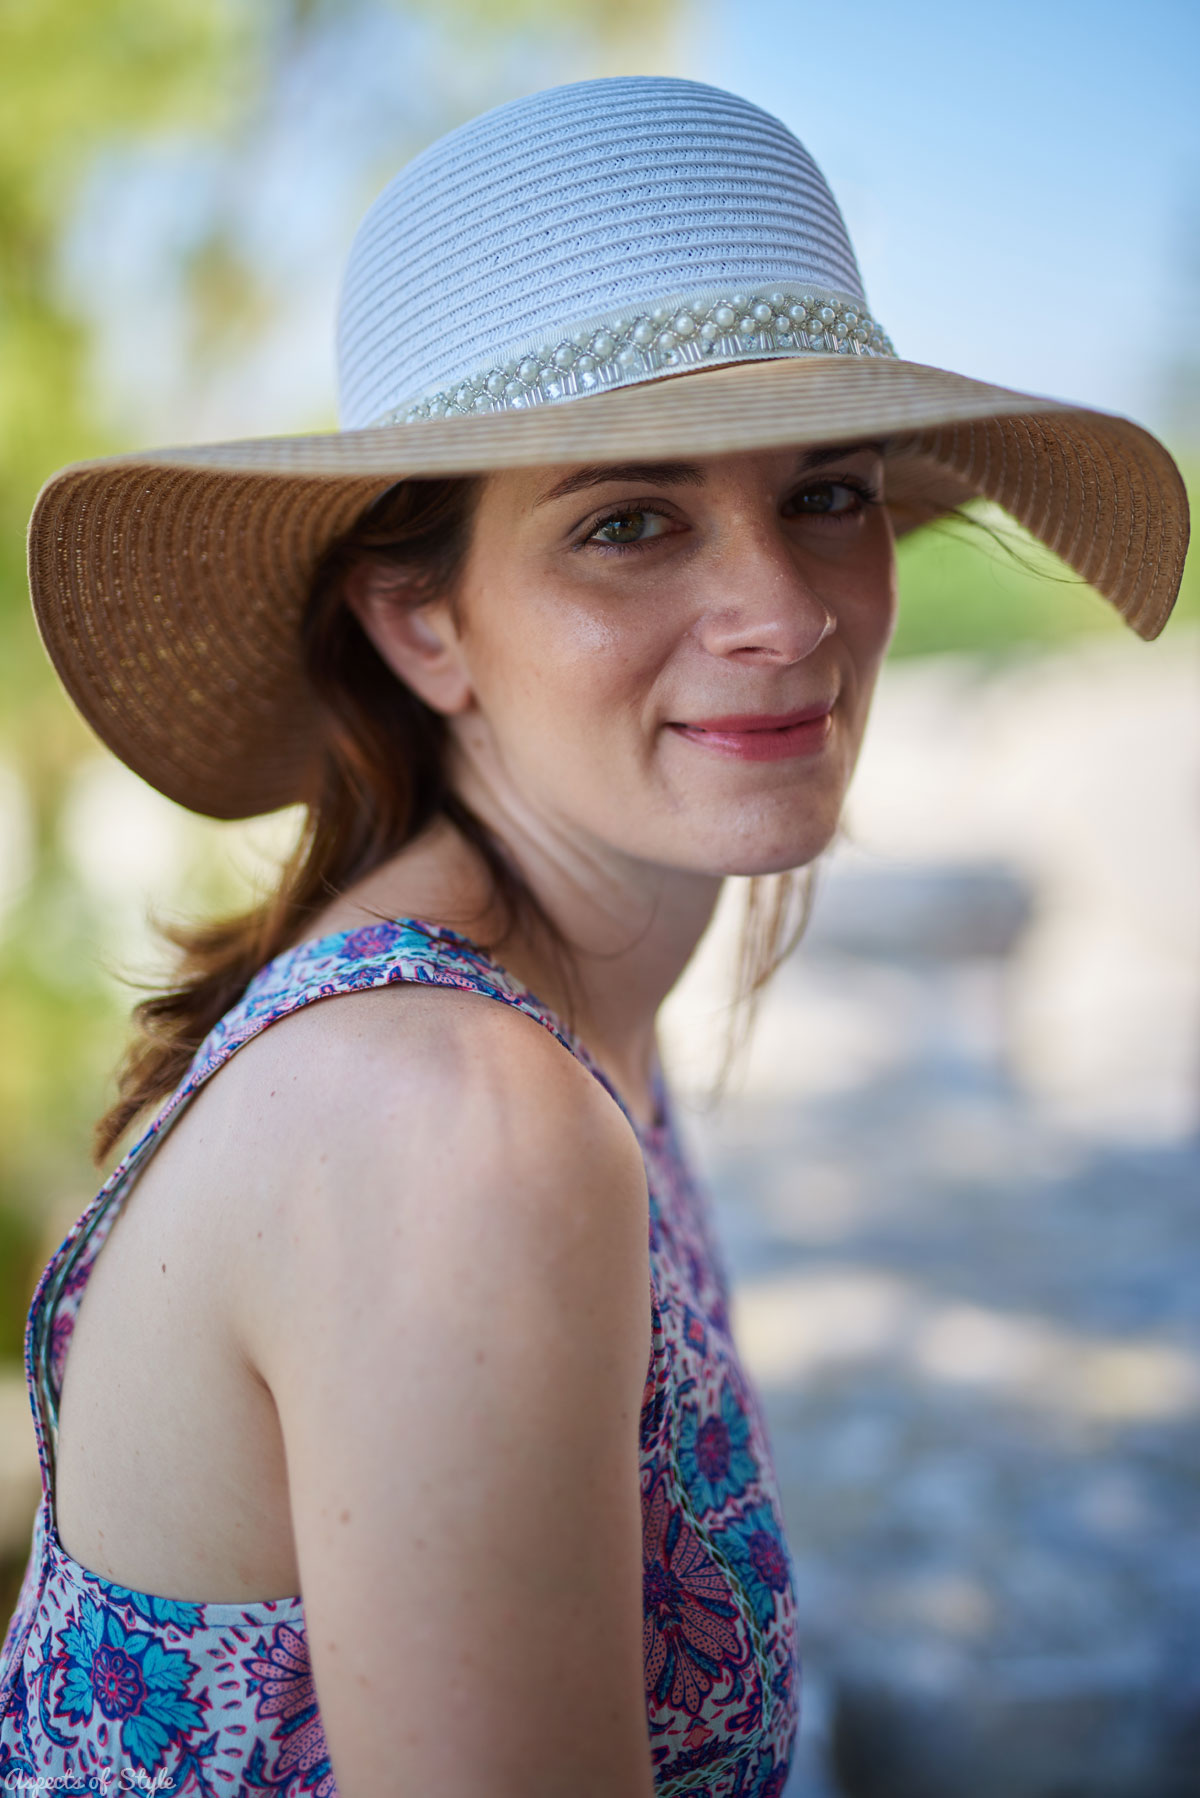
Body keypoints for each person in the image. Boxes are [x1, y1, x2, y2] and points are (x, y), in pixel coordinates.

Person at [0, 75, 1187, 1798]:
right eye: (629, 521)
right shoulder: (450, 1119)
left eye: (827, 492)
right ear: (424, 624)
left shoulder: (543, 1005)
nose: (784, 612)